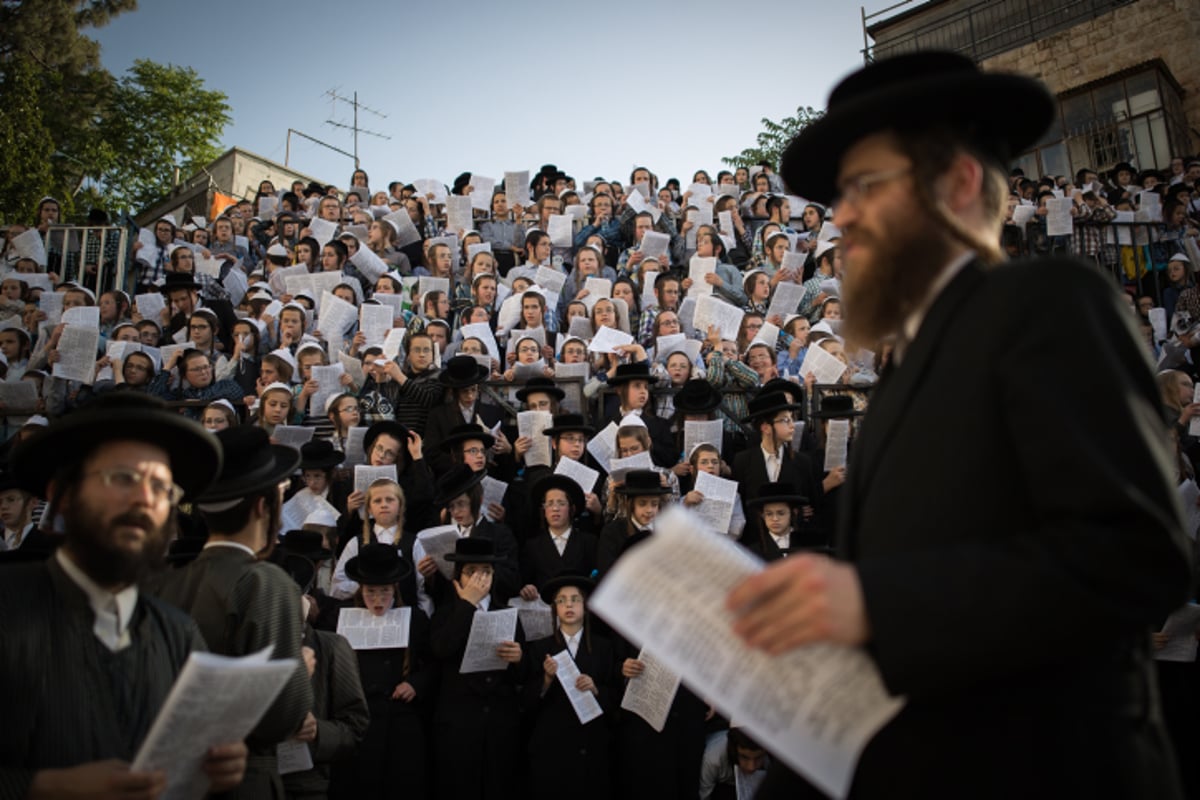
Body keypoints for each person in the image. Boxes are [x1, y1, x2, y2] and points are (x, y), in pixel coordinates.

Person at [726, 51, 1191, 798]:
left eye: (864, 187)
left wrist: (873, 603)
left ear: (958, 182)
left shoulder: (1047, 304)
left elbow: (1133, 559)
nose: (838, 216)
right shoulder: (900, 376)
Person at [0, 393, 248, 796]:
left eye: (162, 488)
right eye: (123, 478)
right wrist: (46, 787)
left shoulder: (178, 634)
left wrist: (215, 765)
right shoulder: (8, 608)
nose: (144, 499)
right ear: (62, 496)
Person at [156, 426, 313, 798]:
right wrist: (299, 671)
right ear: (263, 508)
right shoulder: (265, 583)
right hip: (240, 782)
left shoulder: (166, 583)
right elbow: (281, 718)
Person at [522, 573, 615, 800]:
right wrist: (545, 680)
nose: (568, 605)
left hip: (593, 749)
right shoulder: (540, 647)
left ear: (585, 605)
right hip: (552, 750)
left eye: (575, 599)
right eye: (561, 600)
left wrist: (596, 689)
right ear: (554, 608)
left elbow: (618, 697)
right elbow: (524, 702)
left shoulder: (605, 648)